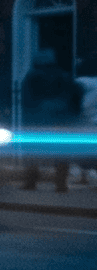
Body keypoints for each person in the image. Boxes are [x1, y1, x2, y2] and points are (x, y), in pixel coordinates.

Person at [19, 49, 82, 191]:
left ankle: (31, 182)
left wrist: (27, 120)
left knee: (33, 153)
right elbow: (74, 96)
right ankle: (60, 184)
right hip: (60, 121)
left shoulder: (32, 76)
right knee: (61, 153)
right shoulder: (64, 76)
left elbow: (27, 101)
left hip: (37, 121)